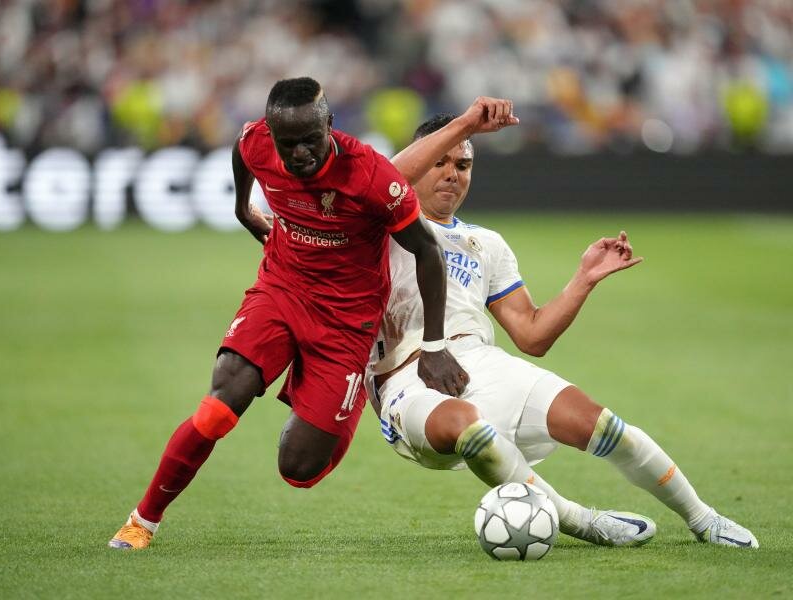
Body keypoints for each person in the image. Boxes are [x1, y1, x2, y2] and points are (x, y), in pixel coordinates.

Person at [109, 77, 484, 550]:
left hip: (348, 320)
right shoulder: (257, 142)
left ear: (330, 125)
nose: (300, 153)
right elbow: (243, 151)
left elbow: (427, 253)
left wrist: (434, 347)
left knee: (299, 469)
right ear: (271, 134)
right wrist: (243, 208)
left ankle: (341, 404)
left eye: (311, 139)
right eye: (288, 144)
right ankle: (143, 520)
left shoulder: (371, 177)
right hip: (282, 290)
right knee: (220, 406)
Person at [367, 106, 759, 548]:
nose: (452, 174)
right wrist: (466, 124)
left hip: (478, 361)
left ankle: (704, 518)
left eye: (463, 164)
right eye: (440, 161)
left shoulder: (486, 244)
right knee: (467, 426)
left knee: (601, 424)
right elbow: (382, 178)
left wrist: (584, 279)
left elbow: (532, 335)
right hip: (406, 378)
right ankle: (579, 520)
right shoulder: (376, 222)